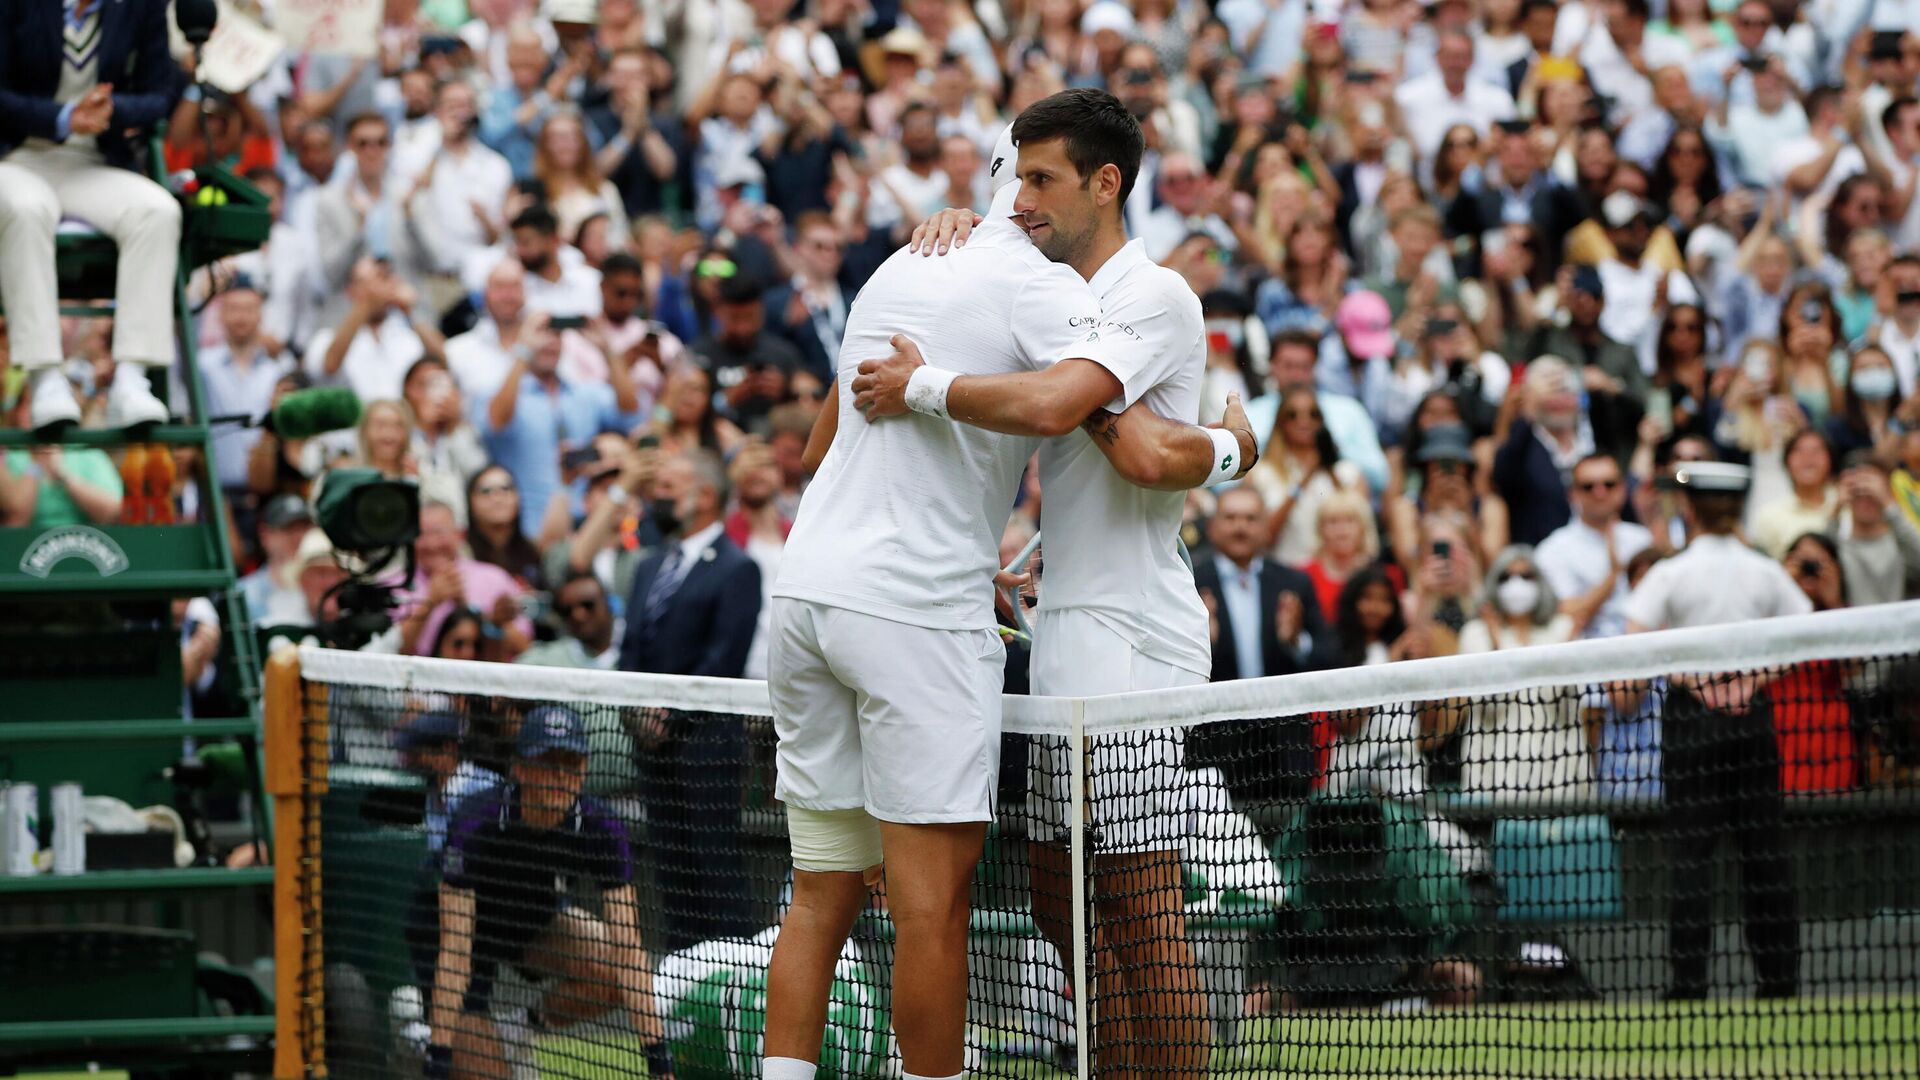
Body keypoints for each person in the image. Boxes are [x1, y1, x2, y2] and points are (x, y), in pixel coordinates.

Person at [762, 96, 1248, 1080]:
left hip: (1133, 628)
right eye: (1012, 180)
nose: (1018, 199)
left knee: (1135, 898)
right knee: (1053, 894)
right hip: (1053, 617)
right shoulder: (1020, 283)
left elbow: (1145, 453)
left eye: (1040, 181)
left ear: (1103, 184)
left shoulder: (1147, 298)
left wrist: (1240, 447)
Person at [1623, 461, 1809, 1001]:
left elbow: (1637, 639)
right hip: (1749, 721)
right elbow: (1806, 635)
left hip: (1692, 722)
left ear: (1691, 508)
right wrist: (1747, 684)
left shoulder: (1672, 571)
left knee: (1691, 857)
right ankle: (1780, 984)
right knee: (1765, 855)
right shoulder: (1765, 570)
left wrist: (1697, 682)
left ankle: (1687, 987)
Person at [426, 707, 668, 1080]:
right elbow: (455, 952)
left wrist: (659, 1062)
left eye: (570, 762)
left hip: (533, 925)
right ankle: (420, 1032)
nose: (559, 775)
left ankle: (519, 1028)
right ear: (520, 768)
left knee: (613, 972)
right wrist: (438, 1059)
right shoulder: (478, 821)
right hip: (457, 938)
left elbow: (629, 950)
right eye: (546, 761)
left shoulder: (600, 827)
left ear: (584, 768)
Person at [0, 0, 181, 432]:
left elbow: (161, 95)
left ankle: (133, 379)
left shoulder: (144, 6)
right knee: (27, 208)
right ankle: (45, 380)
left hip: (92, 163)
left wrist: (112, 112)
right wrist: (63, 117)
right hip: (17, 157)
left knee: (158, 211)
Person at [617, 451, 761, 952]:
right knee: (671, 871)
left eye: (670, 485)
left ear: (704, 496)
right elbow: (630, 648)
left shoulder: (738, 569)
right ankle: (682, 990)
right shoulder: (648, 566)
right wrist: (637, 710)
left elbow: (723, 659)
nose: (659, 495)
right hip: (650, 749)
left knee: (713, 867)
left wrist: (669, 716)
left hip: (706, 747)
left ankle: (737, 983)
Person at [1190, 485, 1334, 807]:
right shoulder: (1190, 583)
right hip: (1215, 752)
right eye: (1230, 518)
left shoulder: (1294, 583)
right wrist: (1199, 644)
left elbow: (1327, 659)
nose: (1240, 526)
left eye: (1250, 518)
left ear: (1266, 527)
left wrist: (1297, 641)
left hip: (1285, 752)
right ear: (1212, 527)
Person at [1457, 545, 1593, 802]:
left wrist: (1568, 649)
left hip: (1558, 765)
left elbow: (1566, 707)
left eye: (1526, 576)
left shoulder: (1562, 628)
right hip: (1494, 768)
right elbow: (1489, 706)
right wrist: (1496, 641)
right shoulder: (1475, 633)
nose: (1516, 584)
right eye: (1506, 577)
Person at [1535, 452, 1654, 639]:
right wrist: (1613, 575)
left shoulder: (1643, 539)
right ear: (1572, 494)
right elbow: (1567, 616)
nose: (1600, 493)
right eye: (1588, 487)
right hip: (1585, 658)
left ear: (1623, 489)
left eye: (1609, 484)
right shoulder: (1553, 549)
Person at [236, 494, 315, 627]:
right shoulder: (243, 595)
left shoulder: (323, 589)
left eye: (304, 528)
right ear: (265, 535)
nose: (299, 537)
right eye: (289, 529)